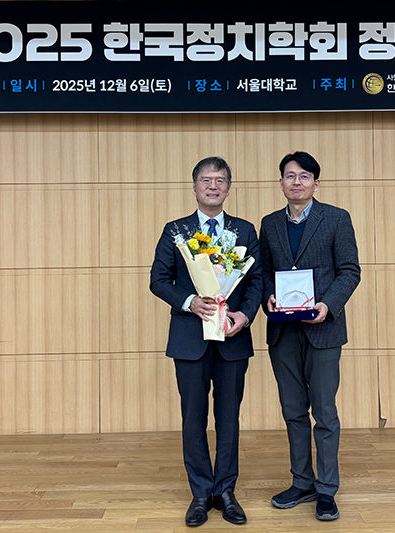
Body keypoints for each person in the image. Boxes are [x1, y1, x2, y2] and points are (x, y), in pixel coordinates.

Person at [150, 156, 262, 527]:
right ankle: (200, 493)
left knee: (229, 418)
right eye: (206, 180)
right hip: (189, 338)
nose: (213, 186)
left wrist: (245, 315)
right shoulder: (175, 231)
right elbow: (158, 280)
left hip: (232, 337)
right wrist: (189, 301)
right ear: (195, 186)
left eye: (220, 180)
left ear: (228, 188)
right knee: (193, 417)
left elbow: (257, 280)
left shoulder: (245, 230)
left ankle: (225, 491)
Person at [258, 151, 361, 521]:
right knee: (292, 411)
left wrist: (327, 305)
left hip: (324, 329)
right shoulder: (270, 223)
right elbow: (264, 272)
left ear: (316, 183)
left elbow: (350, 270)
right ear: (281, 183)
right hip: (283, 331)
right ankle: (301, 482)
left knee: (325, 412)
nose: (296, 182)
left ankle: (326, 488)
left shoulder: (336, 218)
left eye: (304, 176)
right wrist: (269, 295)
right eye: (290, 175)